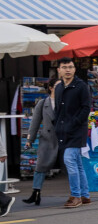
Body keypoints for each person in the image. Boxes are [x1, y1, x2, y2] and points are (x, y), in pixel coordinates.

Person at [52, 57, 92, 208]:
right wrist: (57, 125)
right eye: (64, 67)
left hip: (77, 130)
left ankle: (75, 196)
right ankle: (85, 195)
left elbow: (86, 108)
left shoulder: (81, 86)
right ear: (59, 70)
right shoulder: (58, 87)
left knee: (69, 160)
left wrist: (74, 123)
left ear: (75, 69)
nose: (68, 70)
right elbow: (58, 110)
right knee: (77, 163)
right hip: (62, 130)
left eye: (70, 67)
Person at [21, 78, 59, 206]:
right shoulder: (43, 103)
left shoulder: (65, 103)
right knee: (40, 167)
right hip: (47, 139)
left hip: (63, 139)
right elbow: (34, 123)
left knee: (71, 166)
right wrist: (29, 140)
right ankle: (35, 193)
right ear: (51, 88)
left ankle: (77, 194)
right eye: (58, 86)